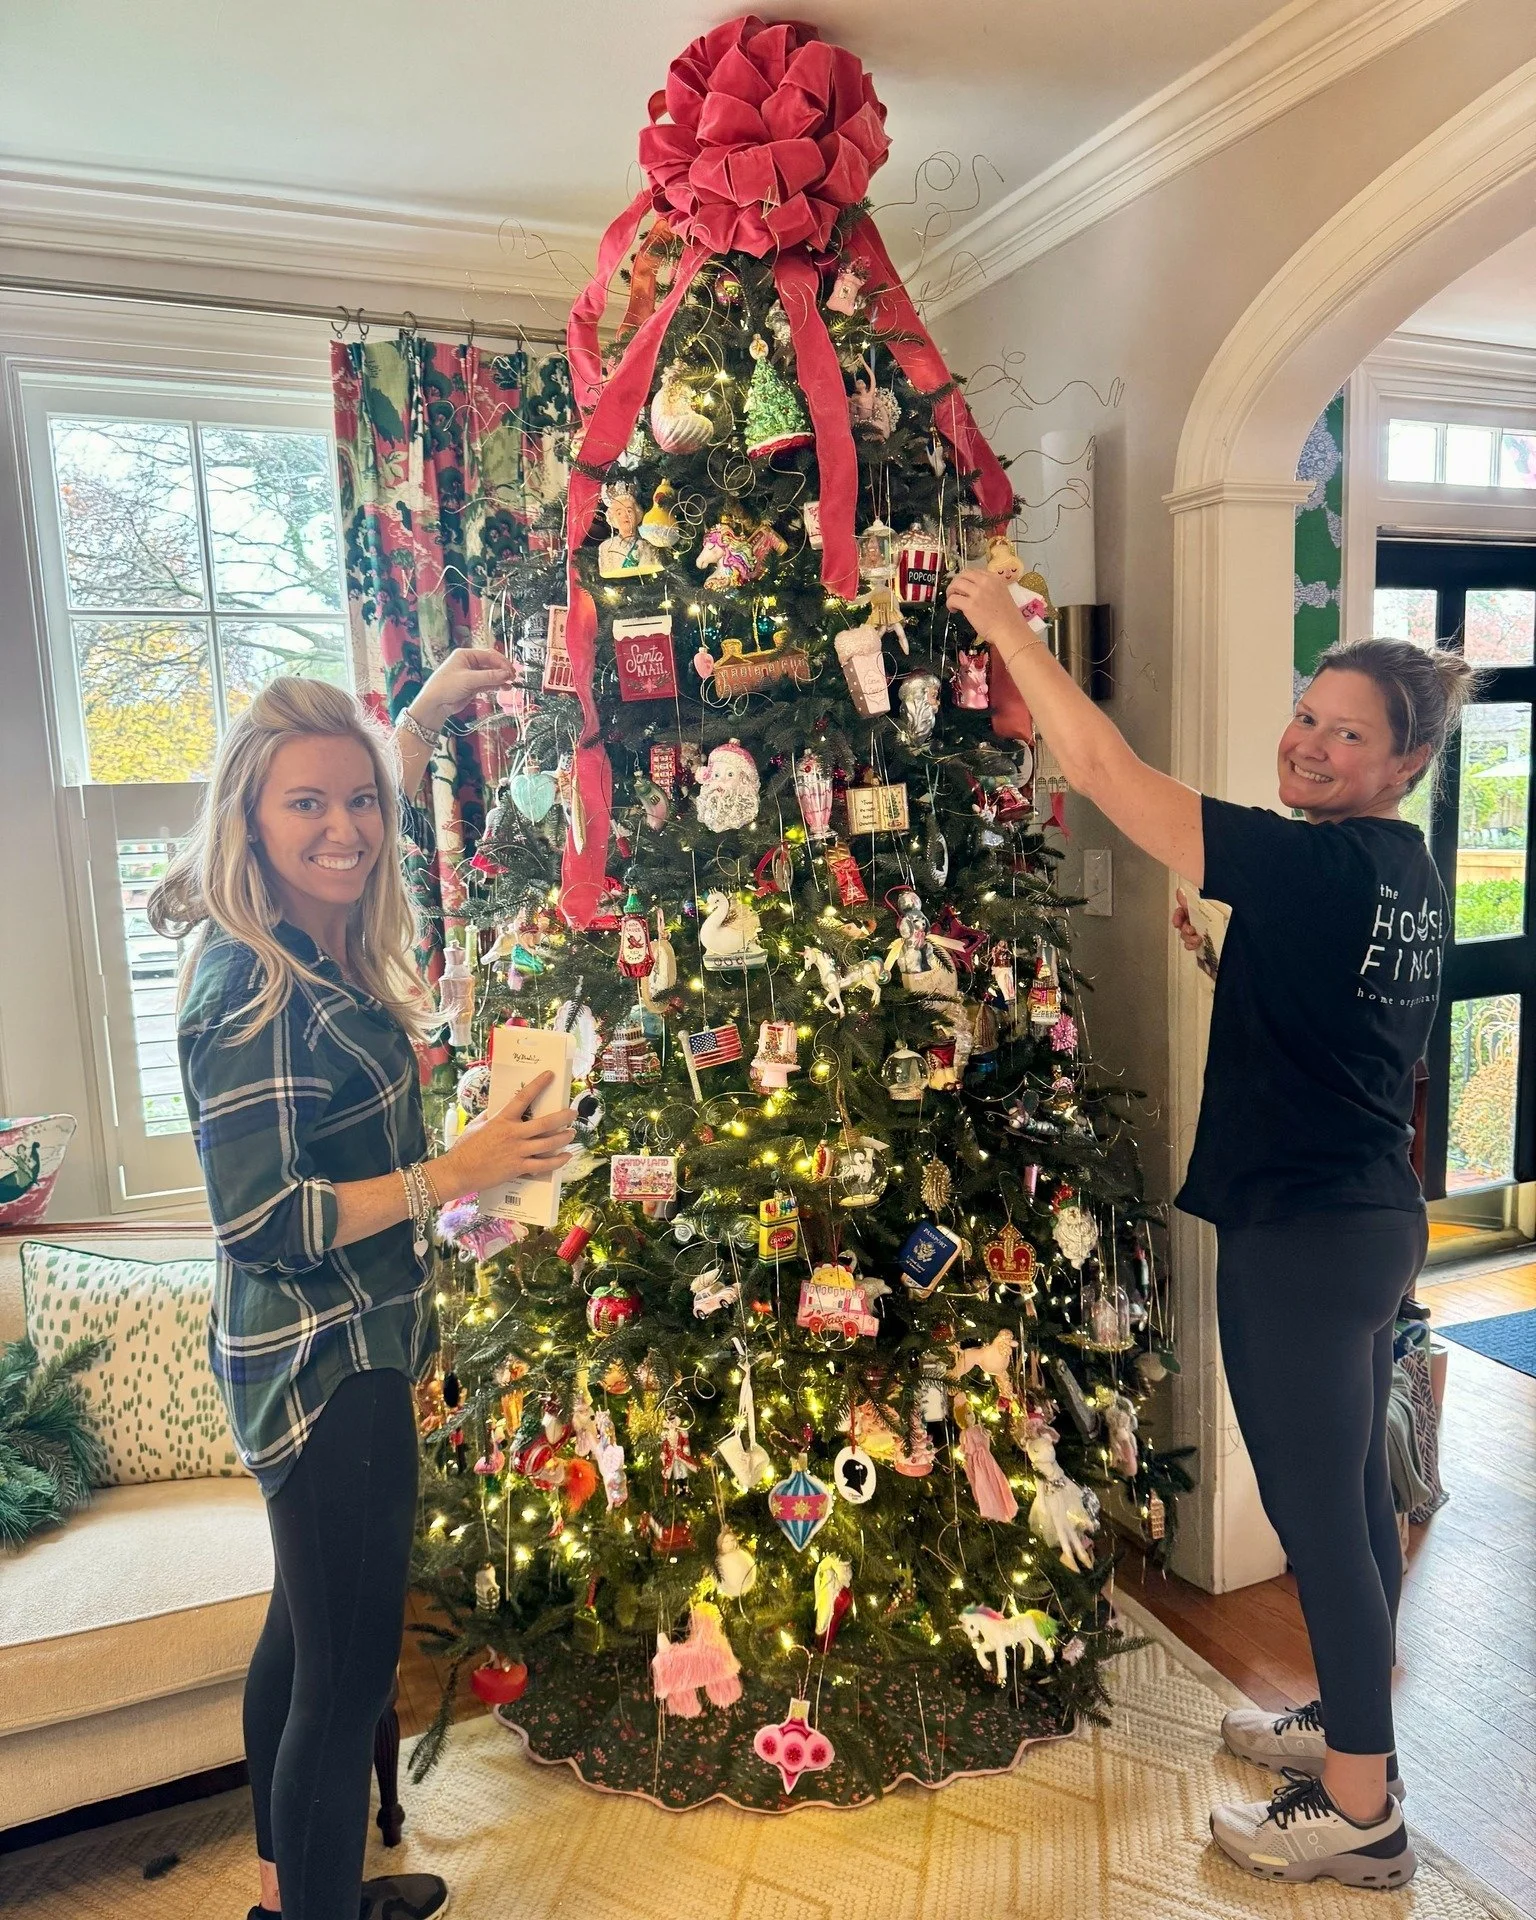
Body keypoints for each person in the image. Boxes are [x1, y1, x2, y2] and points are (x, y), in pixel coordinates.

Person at [947, 566, 1471, 1892]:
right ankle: (1356, 1740)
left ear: (1406, 760)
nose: (1310, 741)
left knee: (1318, 1517)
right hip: (1369, 1219)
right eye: (1308, 715)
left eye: (1348, 732)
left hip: (1301, 1237)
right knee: (1353, 1504)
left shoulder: (1308, 860)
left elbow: (1109, 771)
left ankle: (1362, 1814)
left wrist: (1005, 627)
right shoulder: (1400, 867)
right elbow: (1348, 1022)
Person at [148, 660, 576, 1920]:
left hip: (334, 1347)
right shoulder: (249, 989)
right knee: (340, 1687)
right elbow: (262, 1221)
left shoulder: (311, 942)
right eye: (304, 807)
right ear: (248, 820)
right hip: (321, 1365)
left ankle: (296, 1903)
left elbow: (354, 791)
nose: (343, 830)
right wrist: (457, 1168)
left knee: (300, 1639)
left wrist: (422, 718)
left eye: (362, 803)